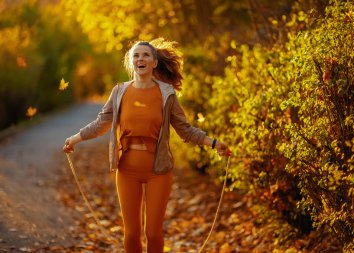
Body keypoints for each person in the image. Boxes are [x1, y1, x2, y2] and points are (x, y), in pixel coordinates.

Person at [63, 38, 232, 253]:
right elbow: (101, 123)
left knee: (153, 233)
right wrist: (75, 138)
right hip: (126, 170)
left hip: (158, 170)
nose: (140, 58)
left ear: (154, 63)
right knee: (131, 233)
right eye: (136, 55)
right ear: (131, 62)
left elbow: (185, 130)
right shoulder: (119, 92)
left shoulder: (166, 94)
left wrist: (214, 143)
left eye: (145, 55)